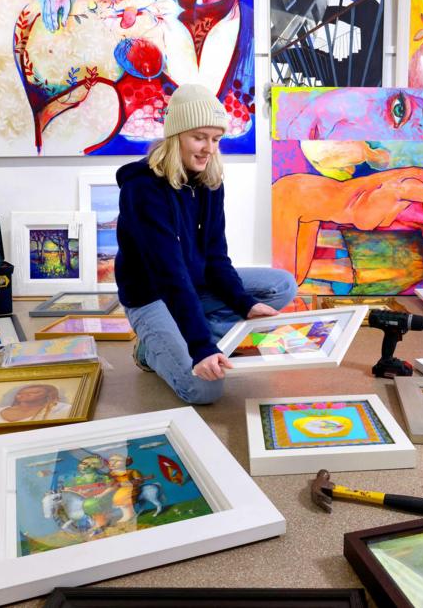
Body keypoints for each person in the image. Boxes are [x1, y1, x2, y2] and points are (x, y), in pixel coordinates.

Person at [116, 84, 296, 404]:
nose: (209, 149)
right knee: (204, 389)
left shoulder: (210, 182)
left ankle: (191, 333)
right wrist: (201, 347)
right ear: (176, 136)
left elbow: (215, 257)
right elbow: (169, 274)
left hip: (195, 284)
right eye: (199, 137)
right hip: (152, 296)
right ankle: (150, 349)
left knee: (281, 285)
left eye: (216, 139)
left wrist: (244, 304)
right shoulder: (142, 189)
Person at [0, 384, 71, 425]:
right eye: (21, 393)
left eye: (35, 392)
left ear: (48, 395)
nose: (27, 395)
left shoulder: (61, 409)